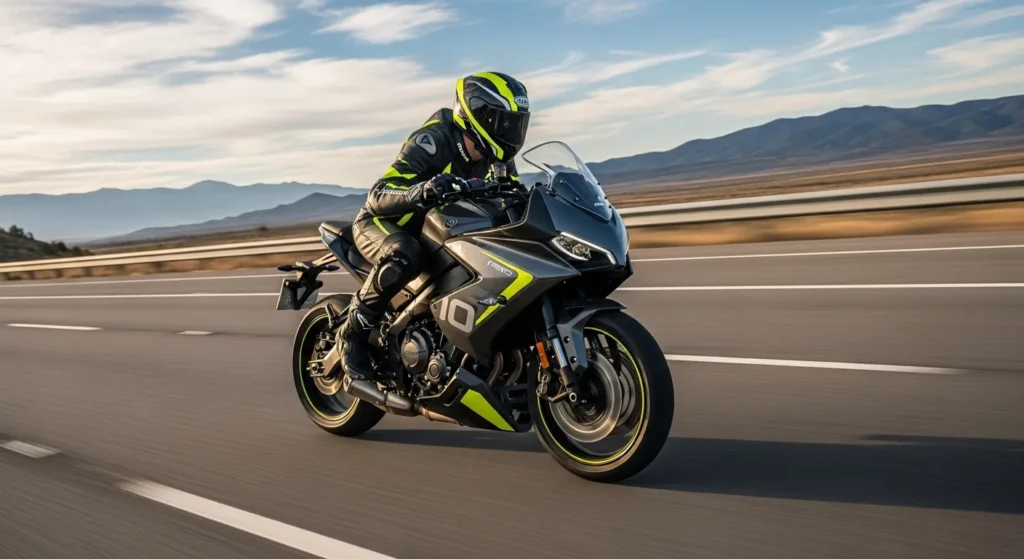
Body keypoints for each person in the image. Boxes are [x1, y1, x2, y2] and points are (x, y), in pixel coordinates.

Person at [337, 72, 532, 382]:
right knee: (406, 253)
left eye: (516, 122)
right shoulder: (432, 140)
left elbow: (516, 195)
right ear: (478, 115)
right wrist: (424, 190)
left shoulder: (498, 157)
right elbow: (378, 194)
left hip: (438, 233)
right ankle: (352, 334)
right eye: (504, 121)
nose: (511, 131)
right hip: (385, 224)